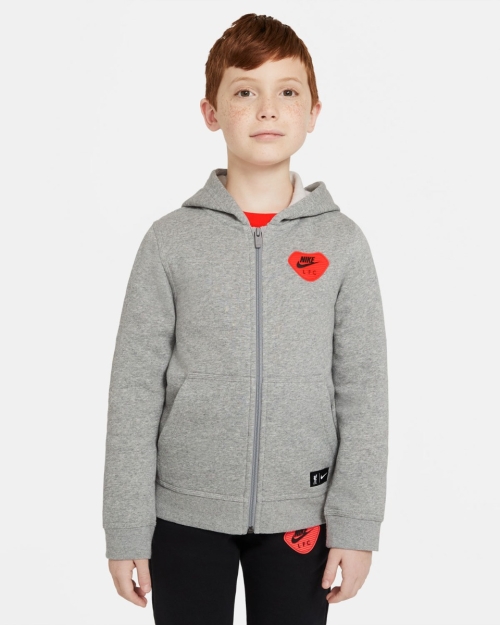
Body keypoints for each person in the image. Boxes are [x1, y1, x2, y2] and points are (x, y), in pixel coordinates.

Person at [102, 12, 389, 625]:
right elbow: (133, 390)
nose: (267, 110)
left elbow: (364, 391)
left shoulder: (342, 243)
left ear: (313, 112)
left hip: (303, 512)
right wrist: (125, 527)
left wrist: (357, 522)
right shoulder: (169, 241)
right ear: (211, 112)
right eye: (244, 92)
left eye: (287, 92)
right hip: (183, 512)